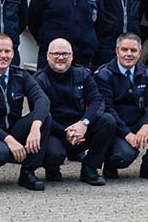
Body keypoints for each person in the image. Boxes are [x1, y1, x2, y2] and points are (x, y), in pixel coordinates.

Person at [0, 33, 51, 190]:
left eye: (7, 51)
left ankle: (28, 172)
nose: (3, 56)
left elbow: (42, 100)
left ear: (13, 53)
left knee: (44, 117)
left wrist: (35, 127)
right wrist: (8, 139)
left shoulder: (21, 74)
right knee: (1, 152)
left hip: (13, 126)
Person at [94, 32, 148, 181]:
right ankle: (110, 164)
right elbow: (107, 108)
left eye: (133, 51)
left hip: (138, 123)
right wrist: (127, 134)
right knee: (122, 157)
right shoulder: (104, 75)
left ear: (139, 53)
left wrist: (147, 125)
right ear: (117, 51)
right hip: (116, 128)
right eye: (124, 50)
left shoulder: (147, 74)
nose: (128, 54)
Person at [34, 38, 113, 185]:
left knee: (107, 120)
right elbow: (41, 114)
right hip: (54, 131)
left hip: (80, 130)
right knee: (54, 154)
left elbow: (97, 101)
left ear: (72, 55)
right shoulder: (39, 80)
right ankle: (52, 168)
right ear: (47, 56)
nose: (61, 58)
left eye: (65, 54)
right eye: (56, 54)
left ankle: (90, 168)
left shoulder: (82, 74)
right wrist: (65, 133)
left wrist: (84, 123)